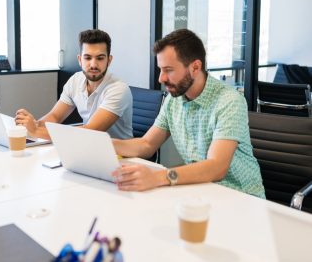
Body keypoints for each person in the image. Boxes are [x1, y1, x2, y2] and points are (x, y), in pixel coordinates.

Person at [112, 29, 265, 198]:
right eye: (160, 70)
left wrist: (156, 177)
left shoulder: (229, 101)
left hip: (241, 198)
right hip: (199, 192)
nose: (161, 78)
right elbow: (147, 144)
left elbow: (216, 167)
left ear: (195, 67)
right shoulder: (174, 99)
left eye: (168, 70)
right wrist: (106, 144)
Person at [15, 29, 133, 140]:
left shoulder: (118, 89)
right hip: (86, 147)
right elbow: (55, 116)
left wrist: (36, 131)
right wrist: (33, 124)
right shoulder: (75, 80)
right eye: (87, 57)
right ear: (79, 60)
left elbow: (91, 131)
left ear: (109, 60)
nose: (93, 64)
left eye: (100, 58)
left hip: (120, 155)